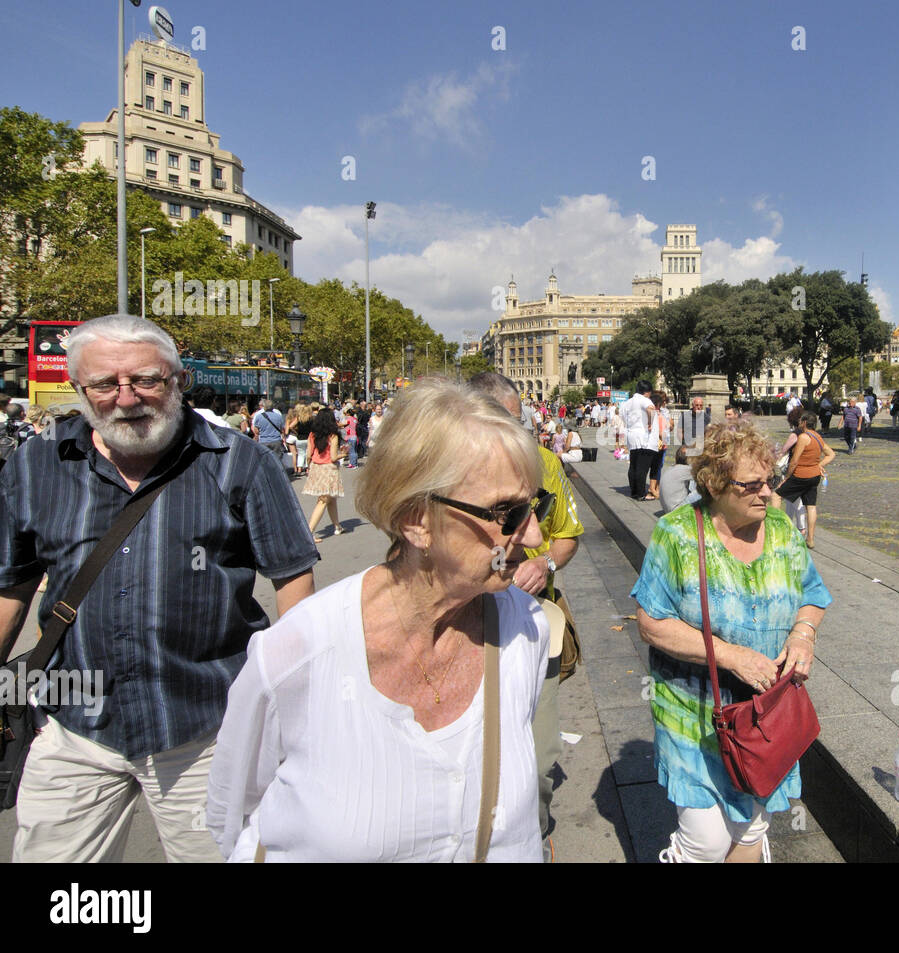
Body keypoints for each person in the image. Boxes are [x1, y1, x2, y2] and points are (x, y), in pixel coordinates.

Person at [0, 314, 316, 863]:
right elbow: (10, 585)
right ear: (80, 390)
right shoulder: (34, 465)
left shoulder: (239, 462)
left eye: (146, 380)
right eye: (104, 384)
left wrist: (294, 707)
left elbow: (293, 581)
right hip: (74, 730)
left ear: (177, 380)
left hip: (207, 732)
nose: (127, 398)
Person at [207, 380, 553, 861]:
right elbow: (235, 814)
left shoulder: (524, 628)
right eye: (506, 514)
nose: (533, 535)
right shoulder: (298, 651)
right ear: (417, 520)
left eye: (536, 506)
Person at [633, 422, 831, 863]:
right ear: (715, 485)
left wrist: (803, 635)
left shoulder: (780, 529)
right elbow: (651, 622)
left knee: (750, 830)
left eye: (770, 480)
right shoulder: (679, 534)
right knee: (705, 842)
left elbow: (813, 595)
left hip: (766, 716)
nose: (767, 492)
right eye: (752, 484)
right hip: (693, 714)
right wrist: (730, 656)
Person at [468, 372, 583, 857]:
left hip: (534, 625)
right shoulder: (444, 470)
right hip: (467, 630)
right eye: (506, 423)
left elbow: (565, 536)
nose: (520, 435)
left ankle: (533, 838)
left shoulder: (546, 463)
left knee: (536, 760)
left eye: (522, 423)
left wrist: (546, 562)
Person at [776, 411, 835, 548]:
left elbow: (794, 461)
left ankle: (776, 529)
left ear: (803, 422)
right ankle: (810, 539)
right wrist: (818, 465)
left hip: (801, 475)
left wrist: (787, 478)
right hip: (814, 476)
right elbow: (831, 454)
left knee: (776, 495)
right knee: (811, 506)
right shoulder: (818, 437)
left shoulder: (803, 437)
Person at [303, 408, 345, 542]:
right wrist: (344, 454)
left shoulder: (312, 434)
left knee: (330, 498)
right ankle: (309, 532)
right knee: (323, 500)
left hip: (316, 467)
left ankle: (337, 526)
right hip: (328, 469)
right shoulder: (333, 435)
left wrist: (308, 466)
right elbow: (333, 457)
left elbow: (309, 454)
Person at [624, 380, 658, 501]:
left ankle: (634, 491)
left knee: (633, 465)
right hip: (644, 438)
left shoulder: (628, 402)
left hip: (632, 436)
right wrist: (650, 423)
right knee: (642, 467)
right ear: (647, 392)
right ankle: (640, 493)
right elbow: (651, 410)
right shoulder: (644, 400)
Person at [659, 445, 698, 513]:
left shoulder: (672, 468)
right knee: (702, 491)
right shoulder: (686, 470)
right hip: (677, 511)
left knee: (695, 482)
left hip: (668, 509)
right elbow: (704, 474)